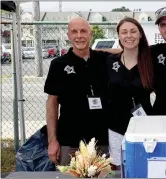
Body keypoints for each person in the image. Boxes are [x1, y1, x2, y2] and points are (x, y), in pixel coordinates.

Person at [44, 17, 111, 165]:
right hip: (70, 141)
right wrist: (52, 141)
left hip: (103, 141)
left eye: (83, 31)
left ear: (91, 34)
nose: (79, 35)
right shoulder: (58, 65)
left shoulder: (105, 60)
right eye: (74, 32)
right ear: (68, 35)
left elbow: (128, 50)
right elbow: (52, 104)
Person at [106, 17, 154, 167]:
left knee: (143, 166)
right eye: (124, 32)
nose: (129, 35)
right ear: (119, 36)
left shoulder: (151, 61)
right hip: (116, 127)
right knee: (119, 169)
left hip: (144, 125)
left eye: (133, 31)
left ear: (140, 34)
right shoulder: (109, 61)